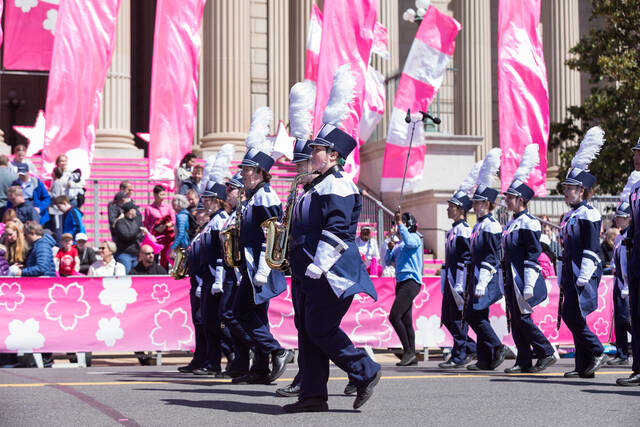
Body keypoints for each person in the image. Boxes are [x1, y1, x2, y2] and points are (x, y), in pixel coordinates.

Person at [284, 73, 381, 413]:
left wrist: (318, 263)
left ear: (334, 154)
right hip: (309, 271)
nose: (312, 155)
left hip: (331, 271)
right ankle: (312, 395)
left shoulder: (338, 185)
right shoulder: (316, 186)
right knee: (309, 331)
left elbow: (338, 231)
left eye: (318, 150)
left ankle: (364, 369)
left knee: (319, 327)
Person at [231, 108, 291, 386]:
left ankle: (276, 350)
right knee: (257, 316)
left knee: (240, 311)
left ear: (258, 172)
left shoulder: (266, 196)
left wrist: (265, 270)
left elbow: (273, 235)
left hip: (259, 265)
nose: (241, 174)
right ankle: (259, 369)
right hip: (250, 263)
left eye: (245, 169)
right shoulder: (253, 196)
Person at [501, 145, 557, 374]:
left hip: (523, 278)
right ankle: (523, 359)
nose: (507, 201)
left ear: (521, 199)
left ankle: (546, 351)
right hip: (511, 278)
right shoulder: (512, 222)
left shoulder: (529, 222)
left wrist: (530, 283)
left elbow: (533, 254)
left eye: (511, 198)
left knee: (523, 319)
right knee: (515, 319)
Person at [559, 126, 607, 379]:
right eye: (566, 188)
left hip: (584, 270)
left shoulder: (590, 213)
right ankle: (583, 366)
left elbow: (591, 246)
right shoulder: (571, 215)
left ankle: (597, 350)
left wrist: (584, 274)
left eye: (570, 188)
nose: (566, 191)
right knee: (574, 315)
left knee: (573, 314)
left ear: (582, 191)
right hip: (571, 268)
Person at [466, 148, 507, 371]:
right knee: (479, 314)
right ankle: (484, 358)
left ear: (488, 204)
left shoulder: (491, 225)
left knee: (474, 315)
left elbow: (490, 257)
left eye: (480, 202)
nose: (475, 205)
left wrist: (482, 282)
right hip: (477, 274)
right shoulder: (479, 225)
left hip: (486, 275)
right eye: (475, 202)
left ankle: (497, 346)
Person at [438, 163, 479, 369]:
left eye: (451, 206)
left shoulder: (464, 231)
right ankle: (470, 347)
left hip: (459, 280)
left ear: (460, 210)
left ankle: (459, 353)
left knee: (456, 317)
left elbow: (465, 258)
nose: (448, 209)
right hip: (450, 278)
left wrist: (461, 284)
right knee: (447, 317)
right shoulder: (452, 230)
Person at [385, 211, 423, 366]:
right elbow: (388, 261)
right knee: (406, 320)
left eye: (403, 223)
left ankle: (408, 350)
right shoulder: (400, 244)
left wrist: (400, 224)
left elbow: (410, 242)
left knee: (394, 316)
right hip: (401, 282)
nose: (399, 227)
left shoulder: (415, 237)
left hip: (411, 281)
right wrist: (389, 248)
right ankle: (411, 354)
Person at [616, 139, 640, 386]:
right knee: (637, 316)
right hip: (636, 260)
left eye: (639, 153)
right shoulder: (635, 190)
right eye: (634, 152)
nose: (635, 156)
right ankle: (638, 368)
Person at [607, 173, 637, 367]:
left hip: (626, 281)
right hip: (618, 281)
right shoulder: (618, 238)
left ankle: (630, 349)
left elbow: (627, 261)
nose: (618, 221)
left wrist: (626, 282)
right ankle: (621, 352)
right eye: (617, 218)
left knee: (627, 319)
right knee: (618, 319)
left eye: (621, 218)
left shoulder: (629, 237)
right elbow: (616, 258)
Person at [112, 201, 142, 274]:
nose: (136, 211)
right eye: (134, 209)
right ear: (130, 211)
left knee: (136, 276)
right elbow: (126, 236)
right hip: (124, 254)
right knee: (126, 276)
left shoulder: (135, 222)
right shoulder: (120, 223)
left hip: (135, 254)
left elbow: (139, 236)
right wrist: (138, 230)